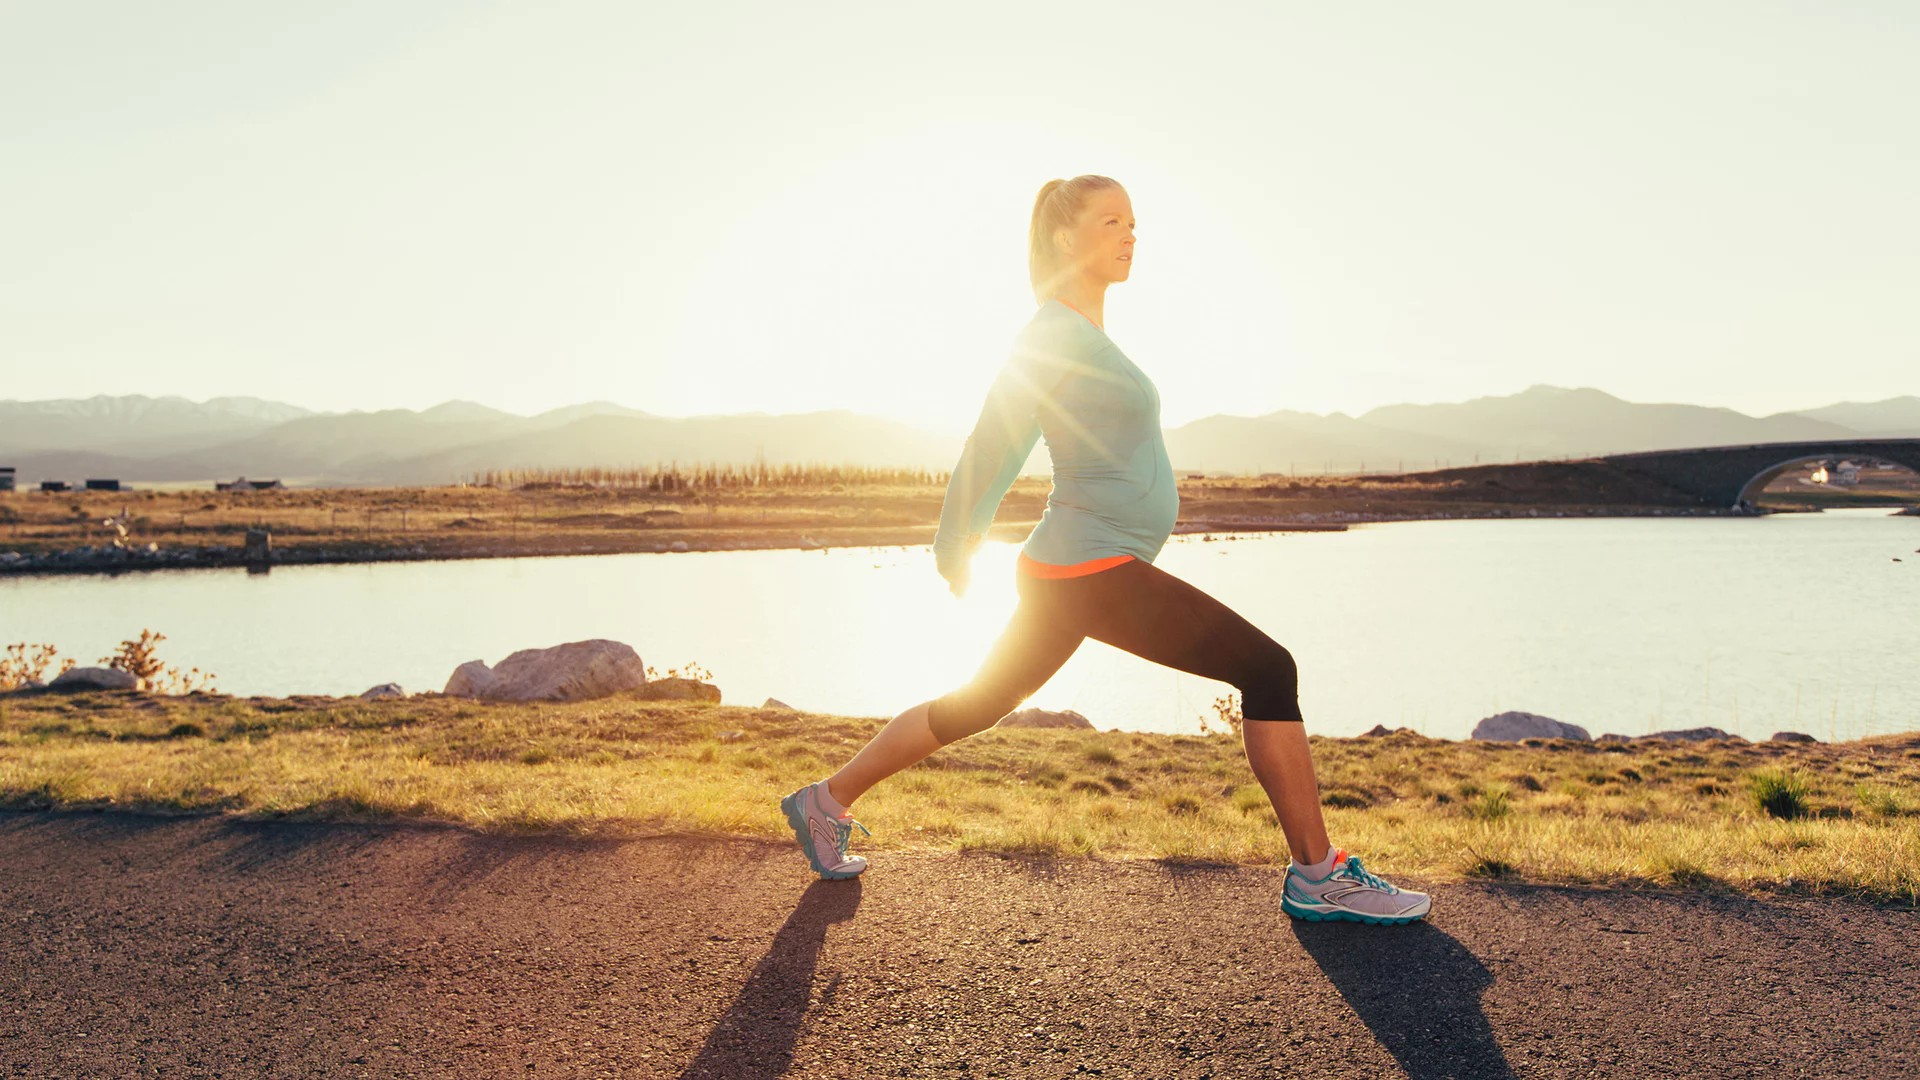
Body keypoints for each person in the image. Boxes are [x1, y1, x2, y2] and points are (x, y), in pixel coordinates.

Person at [781, 175, 1430, 924]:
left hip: (1076, 567)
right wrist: (956, 542)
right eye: (1111, 221)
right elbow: (995, 440)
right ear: (1066, 238)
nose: (1130, 236)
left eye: (1134, 223)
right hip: (1084, 565)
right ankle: (1317, 875)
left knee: (976, 703)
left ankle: (825, 802)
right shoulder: (1052, 334)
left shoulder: (1082, 334)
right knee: (1268, 669)